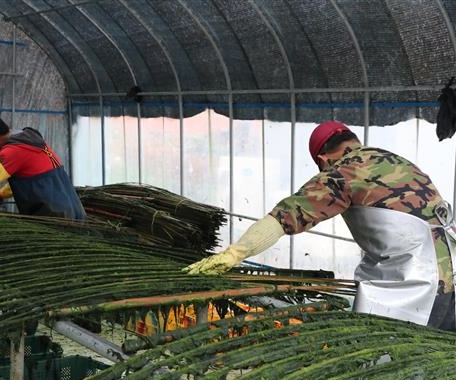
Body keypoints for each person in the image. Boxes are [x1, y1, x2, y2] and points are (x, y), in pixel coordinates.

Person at [184, 120, 456, 330]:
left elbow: (283, 218)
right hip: (452, 276)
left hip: (419, 285)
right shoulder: (395, 161)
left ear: (323, 160)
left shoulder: (344, 172)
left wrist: (234, 254)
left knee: (394, 366)